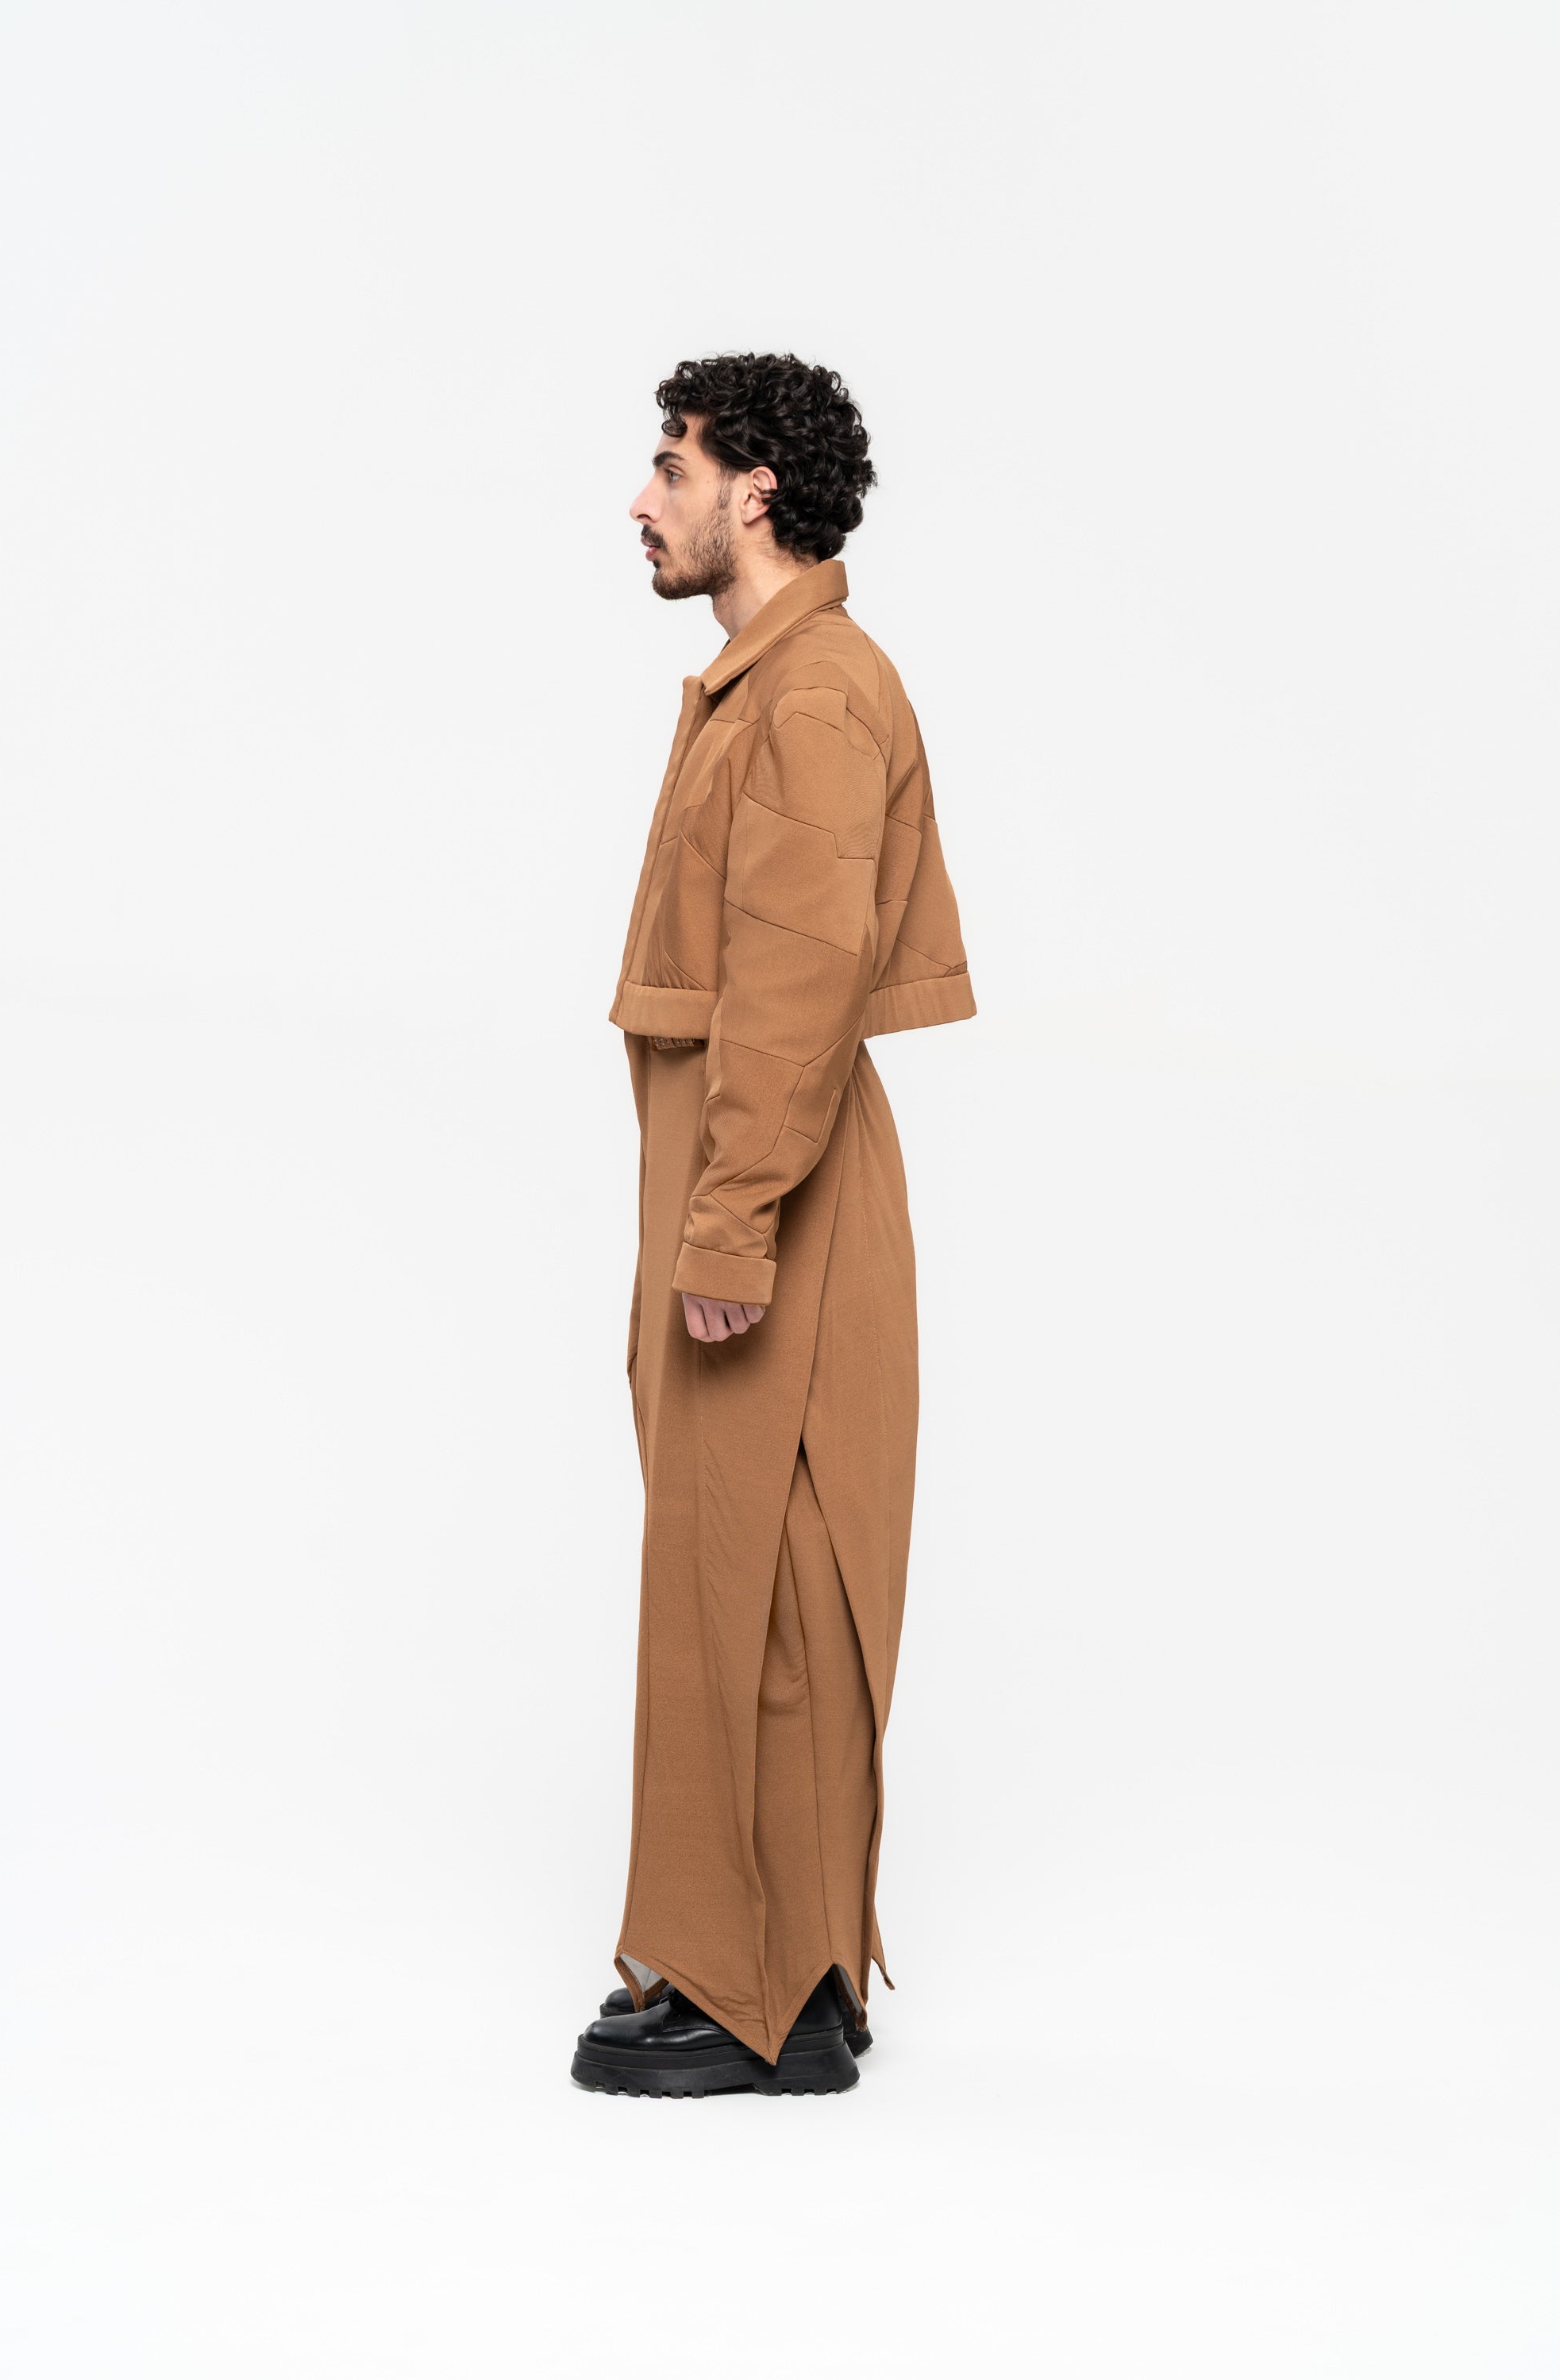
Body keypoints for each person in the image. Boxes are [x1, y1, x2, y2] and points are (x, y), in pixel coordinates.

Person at [570, 352, 974, 2097]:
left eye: (669, 467)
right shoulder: (778, 680)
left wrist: (729, 1225)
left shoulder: (812, 696)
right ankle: (779, 1971)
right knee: (749, 1564)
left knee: (771, 1571)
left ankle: (770, 1992)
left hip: (771, 1167)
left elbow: (799, 986)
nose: (641, 500)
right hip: (747, 1154)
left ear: (754, 491)